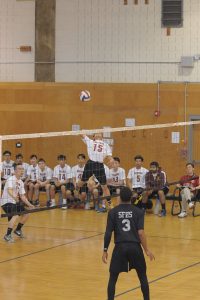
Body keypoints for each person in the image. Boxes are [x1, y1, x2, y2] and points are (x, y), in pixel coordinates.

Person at [102, 187, 154, 300]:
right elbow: (141, 233)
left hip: (120, 247)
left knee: (112, 278)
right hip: (135, 247)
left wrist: (105, 250)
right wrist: (146, 250)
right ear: (131, 198)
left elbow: (108, 233)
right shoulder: (138, 212)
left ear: (119, 198)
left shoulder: (113, 212)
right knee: (142, 277)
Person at [79, 133, 114, 212]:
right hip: (90, 163)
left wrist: (111, 160)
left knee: (104, 186)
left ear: (102, 137)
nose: (98, 135)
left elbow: (109, 156)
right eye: (96, 134)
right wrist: (81, 132)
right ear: (93, 137)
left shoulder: (106, 145)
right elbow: (81, 134)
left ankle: (110, 204)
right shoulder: (90, 141)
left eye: (100, 134)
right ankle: (77, 190)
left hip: (99, 166)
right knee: (82, 182)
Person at [0, 163, 34, 242]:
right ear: (15, 171)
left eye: (22, 169)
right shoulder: (11, 179)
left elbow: (22, 196)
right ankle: (7, 235)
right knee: (15, 215)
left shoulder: (21, 182)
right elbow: (9, 190)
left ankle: (18, 230)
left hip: (14, 202)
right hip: (6, 203)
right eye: (19, 169)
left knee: (27, 212)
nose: (21, 171)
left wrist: (30, 205)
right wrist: (14, 197)